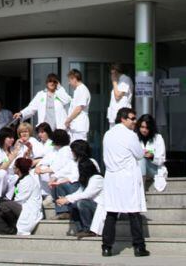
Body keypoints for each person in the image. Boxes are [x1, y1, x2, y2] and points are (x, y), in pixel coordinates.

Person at [101, 107, 149, 257]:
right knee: (134, 212)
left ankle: (106, 247)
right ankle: (139, 247)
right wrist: (144, 152)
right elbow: (139, 154)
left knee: (111, 213)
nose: (135, 121)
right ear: (123, 119)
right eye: (132, 118)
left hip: (112, 177)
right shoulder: (130, 135)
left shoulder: (107, 134)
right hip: (127, 176)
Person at [56, 140, 105, 238]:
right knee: (72, 202)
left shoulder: (97, 178)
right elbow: (80, 191)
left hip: (99, 207)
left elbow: (86, 194)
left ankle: (88, 229)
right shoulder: (87, 179)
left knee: (80, 202)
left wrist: (67, 199)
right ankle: (81, 229)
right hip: (89, 203)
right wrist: (66, 199)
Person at [35, 129, 78, 219]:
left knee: (57, 183)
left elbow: (58, 167)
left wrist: (46, 173)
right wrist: (40, 166)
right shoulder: (56, 150)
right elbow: (47, 159)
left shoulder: (65, 150)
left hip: (69, 181)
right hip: (61, 176)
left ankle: (63, 211)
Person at [0, 158, 43, 235]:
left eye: (14, 167)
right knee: (1, 207)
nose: (13, 168)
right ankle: (11, 227)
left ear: (18, 169)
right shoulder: (21, 179)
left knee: (3, 205)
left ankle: (14, 227)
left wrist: (2, 201)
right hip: (22, 206)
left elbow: (19, 200)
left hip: (28, 209)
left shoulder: (27, 181)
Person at [136, 114, 168, 192]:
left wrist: (152, 156)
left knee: (142, 160)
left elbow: (161, 159)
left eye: (147, 128)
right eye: (142, 127)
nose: (144, 130)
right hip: (137, 169)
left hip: (154, 169)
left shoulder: (158, 138)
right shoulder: (135, 138)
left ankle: (141, 190)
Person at [0, 127, 18, 207]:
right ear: (3, 138)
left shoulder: (13, 150)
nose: (12, 139)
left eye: (13, 137)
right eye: (9, 137)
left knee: (16, 177)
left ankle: (8, 198)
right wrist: (11, 157)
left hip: (8, 182)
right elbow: (0, 168)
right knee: (2, 173)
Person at [65, 69, 91, 141]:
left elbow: (79, 108)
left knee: (80, 149)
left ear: (75, 79)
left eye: (70, 80)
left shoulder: (82, 90)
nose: (69, 83)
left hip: (80, 127)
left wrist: (68, 120)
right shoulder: (78, 90)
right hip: (75, 127)